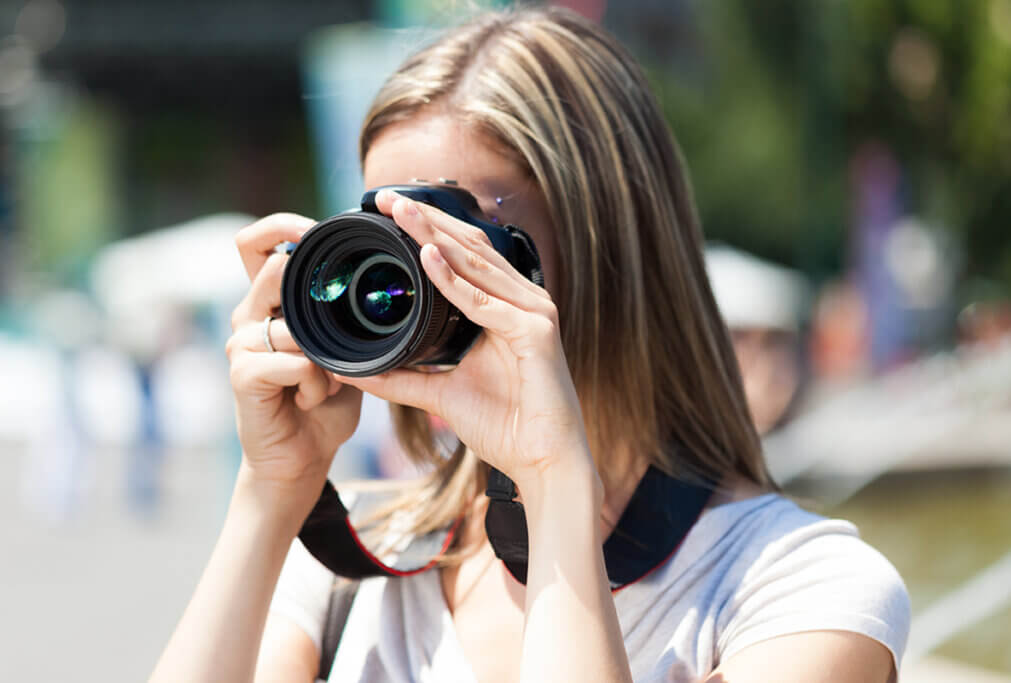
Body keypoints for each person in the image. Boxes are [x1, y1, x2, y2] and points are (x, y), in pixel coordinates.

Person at [150, 7, 909, 683]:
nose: (419, 283)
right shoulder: (352, 569)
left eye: (456, 240)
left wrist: (552, 481)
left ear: (614, 248)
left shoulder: (802, 593)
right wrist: (270, 491)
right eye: (389, 239)